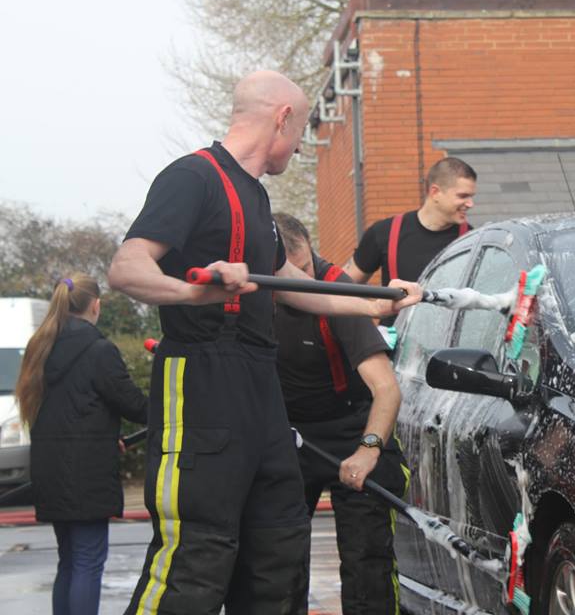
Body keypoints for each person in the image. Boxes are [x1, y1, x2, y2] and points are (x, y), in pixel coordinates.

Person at [107, 70, 421, 615]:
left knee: (277, 546)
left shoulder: (257, 200)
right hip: (202, 379)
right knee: (198, 553)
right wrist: (192, 291)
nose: (299, 147)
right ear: (283, 118)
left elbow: (297, 289)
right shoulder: (192, 178)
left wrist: (377, 302)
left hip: (261, 390)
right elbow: (126, 268)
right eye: (299, 132)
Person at [273, 212, 408, 615]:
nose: (300, 284)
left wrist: (369, 449)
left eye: (305, 270)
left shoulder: (338, 292)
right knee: (276, 565)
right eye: (287, 277)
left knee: (368, 564)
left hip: (354, 426)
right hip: (288, 435)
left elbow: (386, 389)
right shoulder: (254, 294)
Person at [15, 273, 148, 615]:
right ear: (96, 305)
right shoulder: (99, 350)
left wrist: (106, 435)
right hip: (88, 472)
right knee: (89, 561)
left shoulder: (40, 346)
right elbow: (132, 404)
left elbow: (66, 409)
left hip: (51, 468)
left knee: (69, 561)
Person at [343, 157, 477, 324]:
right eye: (463, 196)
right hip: (396, 345)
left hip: (452, 345)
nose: (470, 203)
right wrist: (371, 313)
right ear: (435, 192)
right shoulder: (384, 232)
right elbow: (342, 288)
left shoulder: (472, 240)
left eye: (471, 196)